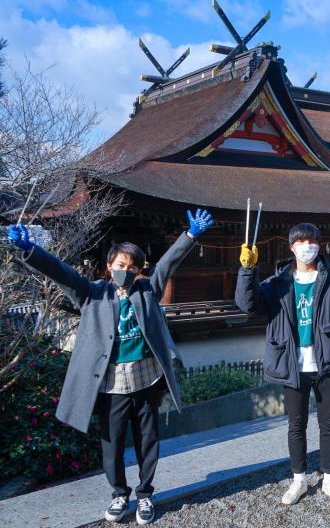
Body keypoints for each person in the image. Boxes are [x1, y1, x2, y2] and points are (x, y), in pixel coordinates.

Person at [6, 209, 214, 525]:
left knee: (148, 440)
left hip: (146, 378)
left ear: (140, 270)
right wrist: (29, 250)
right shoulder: (92, 294)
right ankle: (119, 494)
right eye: (120, 265)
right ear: (109, 266)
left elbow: (168, 264)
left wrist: (190, 235)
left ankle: (145, 495)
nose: (126, 271)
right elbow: (61, 272)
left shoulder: (147, 290)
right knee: (112, 444)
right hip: (111, 383)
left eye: (133, 267)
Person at [236, 223, 330, 505]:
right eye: (301, 241)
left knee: (329, 423)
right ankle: (299, 480)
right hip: (292, 364)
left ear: (319, 246)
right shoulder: (277, 283)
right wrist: (247, 271)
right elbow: (248, 304)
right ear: (291, 247)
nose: (307, 246)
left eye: (312, 241)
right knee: (296, 425)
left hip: (326, 362)